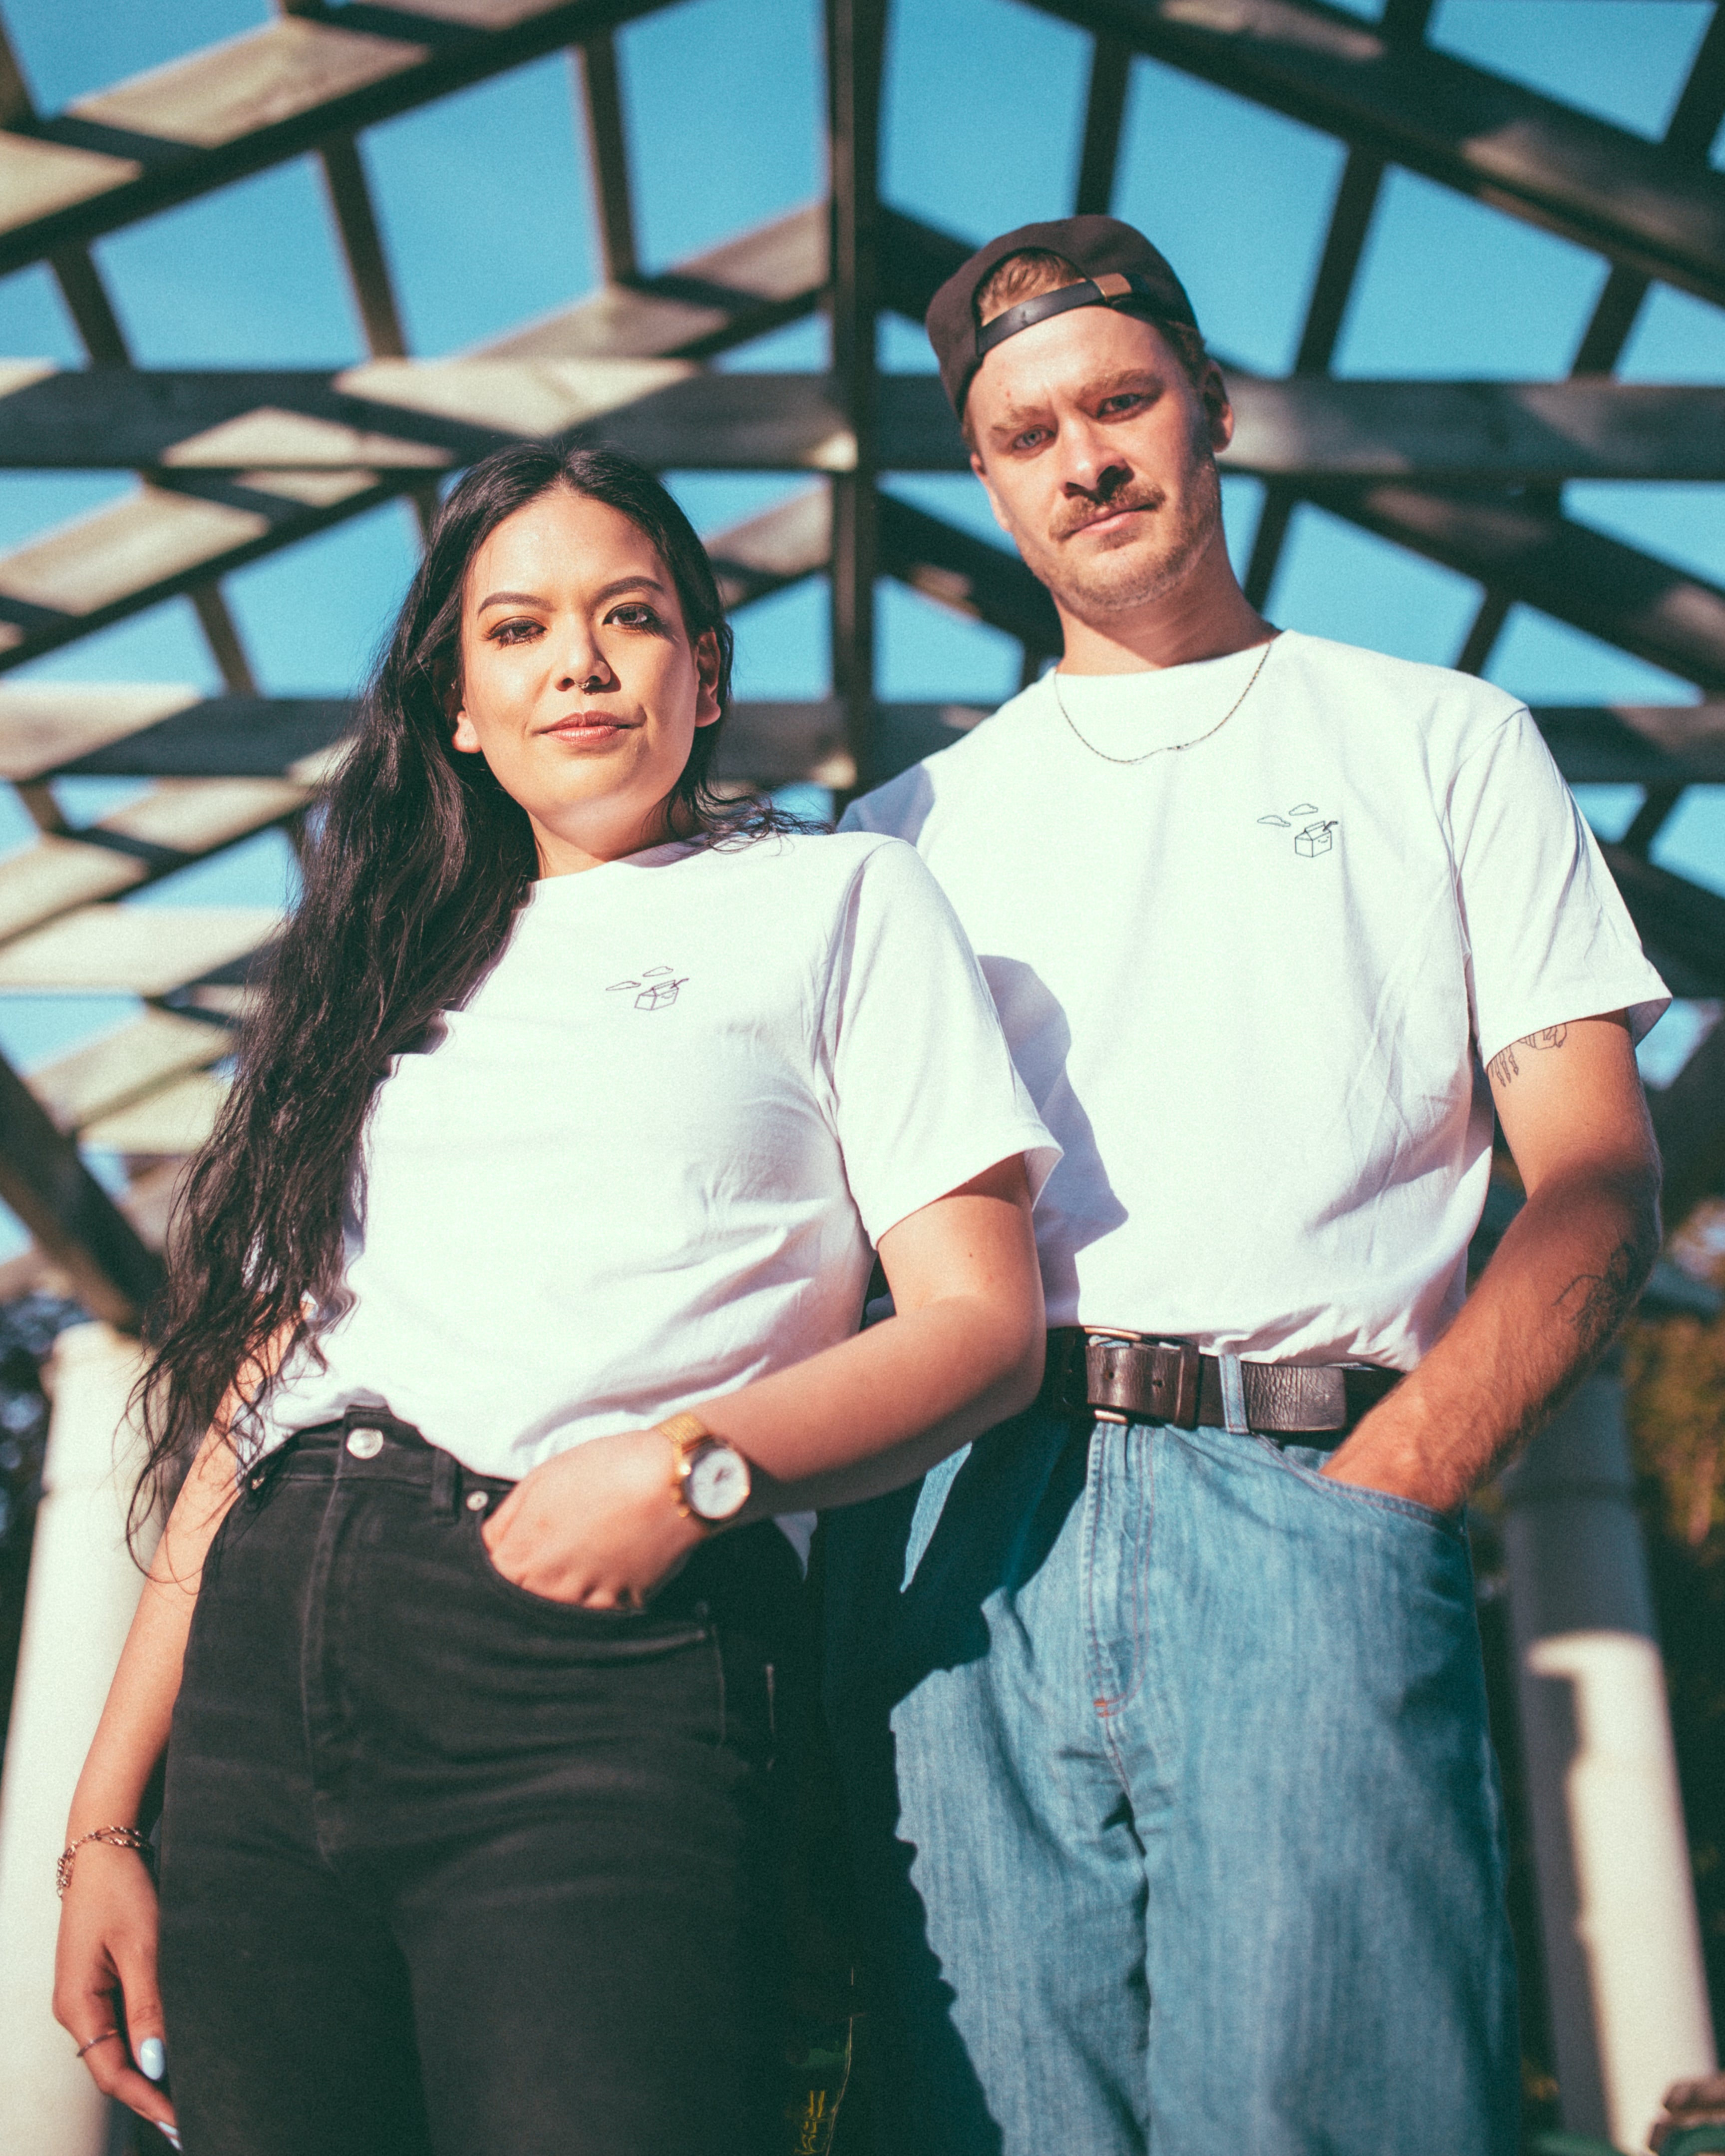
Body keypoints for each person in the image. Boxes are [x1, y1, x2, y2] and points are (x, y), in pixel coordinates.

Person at [50, 443, 1056, 2156]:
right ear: (456, 705)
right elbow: (254, 1393)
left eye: (630, 617)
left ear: (708, 669)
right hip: (265, 1678)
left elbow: (981, 1328)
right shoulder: (378, 969)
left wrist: (689, 1474)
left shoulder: (836, 899)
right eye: (515, 630)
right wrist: (103, 1827)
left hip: (604, 1669)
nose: (576, 663)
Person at [825, 216, 1669, 2156]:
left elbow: (1601, 1182)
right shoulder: (900, 836)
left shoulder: (1442, 742)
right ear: (989, 480)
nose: (1087, 458)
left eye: (1123, 403)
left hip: (1309, 1488)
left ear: (1214, 413)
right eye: (1031, 433)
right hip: (975, 1534)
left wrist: (1381, 1499)